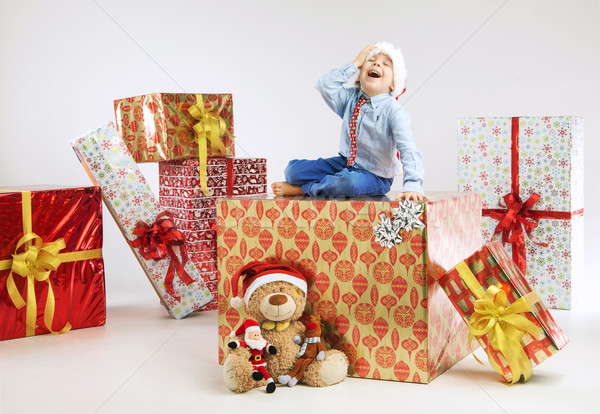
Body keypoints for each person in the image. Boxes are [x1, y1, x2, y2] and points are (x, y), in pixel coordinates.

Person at [272, 42, 427, 201]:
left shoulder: (394, 111)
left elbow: (409, 150)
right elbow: (325, 85)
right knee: (292, 171)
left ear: (394, 84)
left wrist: (412, 186)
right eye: (371, 60)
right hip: (344, 164)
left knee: (349, 182)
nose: (376, 63)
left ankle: (304, 189)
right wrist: (354, 64)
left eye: (385, 64)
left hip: (375, 176)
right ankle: (319, 183)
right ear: (360, 76)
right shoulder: (350, 99)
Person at [228, 319, 278, 393]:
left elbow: (267, 347)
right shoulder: (249, 343)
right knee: (253, 370)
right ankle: (256, 375)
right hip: (253, 364)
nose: (257, 336)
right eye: (254, 335)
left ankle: (270, 383)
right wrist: (235, 343)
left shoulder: (262, 342)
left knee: (265, 373)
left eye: (258, 334)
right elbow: (241, 343)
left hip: (261, 364)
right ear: (248, 335)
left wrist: (271, 348)